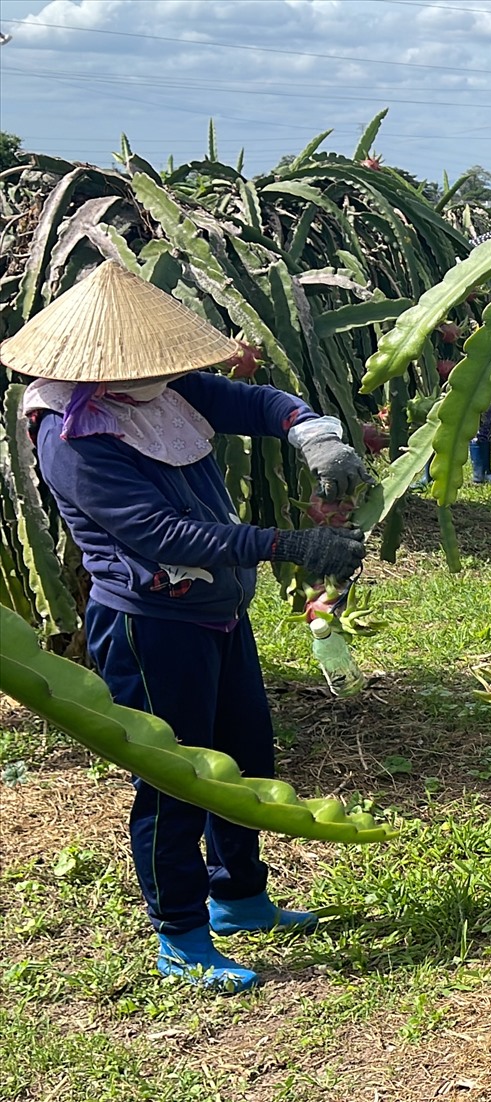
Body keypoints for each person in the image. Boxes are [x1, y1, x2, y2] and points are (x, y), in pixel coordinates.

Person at [1, 261, 373, 994]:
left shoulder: (163, 388)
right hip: (149, 624)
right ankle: (181, 932)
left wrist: (315, 437)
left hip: (219, 611)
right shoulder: (72, 435)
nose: (165, 377)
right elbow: (160, 532)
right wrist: (286, 545)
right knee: (175, 777)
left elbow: (262, 402)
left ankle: (238, 897)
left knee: (244, 755)